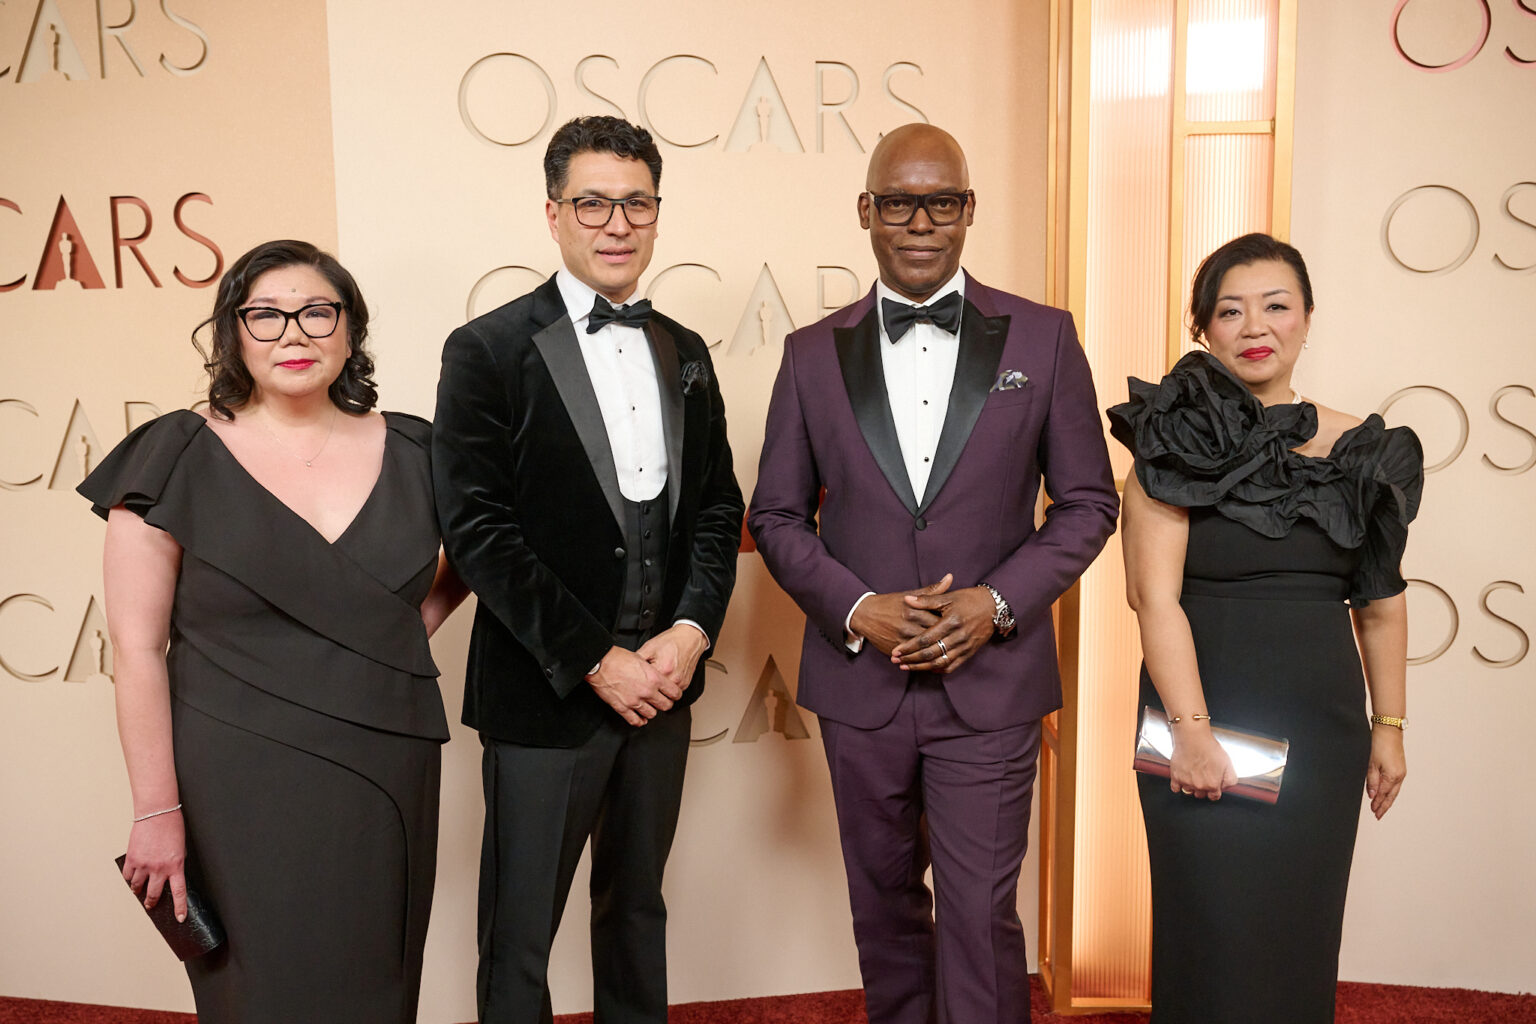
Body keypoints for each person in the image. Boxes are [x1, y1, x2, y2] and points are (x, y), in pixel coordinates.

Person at [748, 123, 1119, 1024]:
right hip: (858, 684)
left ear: (969, 211)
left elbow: (1087, 504)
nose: (923, 222)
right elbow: (776, 515)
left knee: (980, 913)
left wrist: (996, 605)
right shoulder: (808, 354)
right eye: (901, 202)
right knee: (882, 911)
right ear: (866, 211)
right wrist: (856, 607)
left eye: (942, 202)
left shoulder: (1046, 337)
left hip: (990, 682)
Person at [79, 239, 466, 1023]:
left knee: (377, 989)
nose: (294, 333)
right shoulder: (175, 453)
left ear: (349, 330)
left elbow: (484, 555)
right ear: (234, 333)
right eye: (266, 315)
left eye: (317, 312)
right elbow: (138, 650)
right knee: (260, 994)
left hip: (383, 762)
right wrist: (156, 812)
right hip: (234, 775)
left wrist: (393, 639)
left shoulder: (423, 450)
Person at [432, 115, 743, 1024]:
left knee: (637, 911)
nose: (617, 223)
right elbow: (479, 531)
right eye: (594, 203)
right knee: (520, 933)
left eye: (635, 203)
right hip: (545, 693)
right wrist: (600, 661)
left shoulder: (686, 350)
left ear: (656, 214)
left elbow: (718, 508)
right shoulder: (486, 350)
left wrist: (689, 634)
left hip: (666, 688)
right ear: (554, 213)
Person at [1109, 232, 1423, 1024]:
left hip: (1321, 727)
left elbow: (1380, 603)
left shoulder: (1366, 450)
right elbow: (1155, 600)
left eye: (1277, 305)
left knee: (1298, 940)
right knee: (1210, 938)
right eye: (1231, 310)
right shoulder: (1168, 444)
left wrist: (1388, 727)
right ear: (1203, 329)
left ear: (1308, 317)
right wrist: (1191, 733)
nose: (1256, 325)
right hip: (1200, 719)